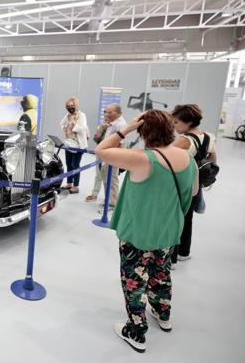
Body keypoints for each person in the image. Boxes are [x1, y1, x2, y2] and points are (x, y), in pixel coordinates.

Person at [95, 110, 198, 353]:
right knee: (161, 272)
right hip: (168, 230)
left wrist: (126, 128)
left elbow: (101, 150)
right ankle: (163, 314)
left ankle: (136, 331)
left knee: (134, 280)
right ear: (170, 128)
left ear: (144, 131)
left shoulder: (142, 158)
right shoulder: (187, 158)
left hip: (138, 232)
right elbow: (192, 193)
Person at [170, 104, 217, 264]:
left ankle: (171, 258)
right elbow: (213, 160)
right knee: (187, 218)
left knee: (174, 219)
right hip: (194, 185)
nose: (174, 126)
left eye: (176, 122)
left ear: (188, 122)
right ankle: (184, 252)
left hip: (178, 185)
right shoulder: (209, 137)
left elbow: (164, 158)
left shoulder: (184, 140)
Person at [59, 97, 88, 194]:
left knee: (75, 165)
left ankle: (76, 186)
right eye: (67, 106)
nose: (69, 108)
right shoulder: (68, 115)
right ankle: (69, 183)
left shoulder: (82, 115)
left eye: (72, 106)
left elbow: (82, 128)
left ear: (76, 105)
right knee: (68, 164)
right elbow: (61, 123)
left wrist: (73, 123)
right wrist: (66, 128)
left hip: (79, 145)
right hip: (69, 143)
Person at [101, 104, 127, 209]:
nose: (107, 114)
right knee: (107, 179)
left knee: (112, 179)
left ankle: (112, 203)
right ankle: (109, 199)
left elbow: (120, 143)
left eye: (110, 112)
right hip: (108, 155)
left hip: (112, 156)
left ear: (118, 112)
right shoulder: (113, 123)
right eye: (106, 112)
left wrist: (112, 157)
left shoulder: (120, 124)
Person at [86, 110, 108, 202]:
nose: (106, 119)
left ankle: (108, 198)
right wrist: (101, 128)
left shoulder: (116, 127)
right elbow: (95, 138)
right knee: (98, 175)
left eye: (108, 116)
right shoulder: (102, 126)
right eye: (105, 117)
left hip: (109, 154)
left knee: (107, 176)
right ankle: (94, 194)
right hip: (100, 152)